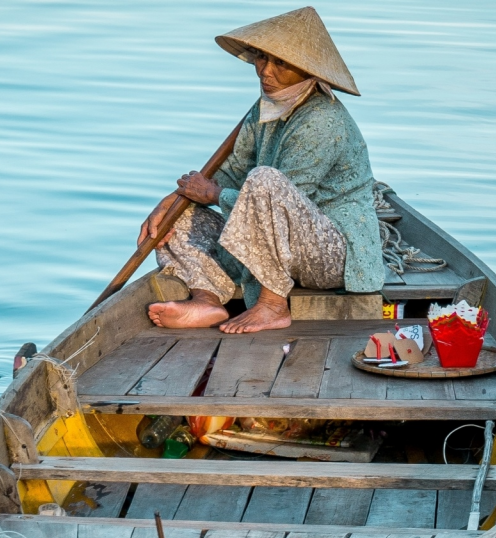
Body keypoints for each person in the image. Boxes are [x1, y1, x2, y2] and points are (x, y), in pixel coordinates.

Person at [142, 6, 383, 333]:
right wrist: (174, 200)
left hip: (332, 254)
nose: (265, 71)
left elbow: (279, 200)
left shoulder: (322, 122)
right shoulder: (265, 108)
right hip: (282, 244)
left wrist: (212, 194)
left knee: (265, 180)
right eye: (261, 58)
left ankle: (272, 305)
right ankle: (207, 299)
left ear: (306, 70)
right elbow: (232, 172)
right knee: (179, 217)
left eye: (280, 63)